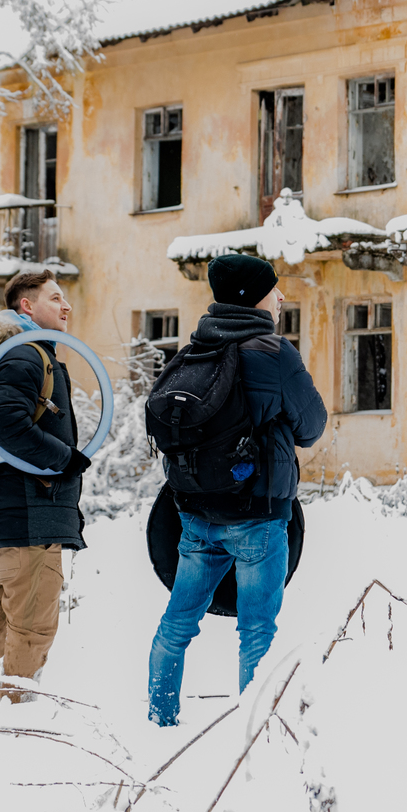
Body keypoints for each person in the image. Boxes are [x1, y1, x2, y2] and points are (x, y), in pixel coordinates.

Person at [147, 254, 326, 725]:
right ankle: (255, 736)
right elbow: (312, 426)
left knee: (178, 622)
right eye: (274, 289)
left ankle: (161, 720)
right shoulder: (272, 352)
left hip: (195, 514)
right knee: (256, 633)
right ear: (253, 297)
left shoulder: (193, 351)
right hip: (259, 516)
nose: (281, 296)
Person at [0, 270, 90, 701]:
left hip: (1, 518)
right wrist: (65, 459)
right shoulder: (25, 356)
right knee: (32, 630)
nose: (66, 305)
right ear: (26, 307)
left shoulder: (5, 354)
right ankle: (15, 727)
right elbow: (3, 424)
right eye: (55, 297)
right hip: (29, 519)